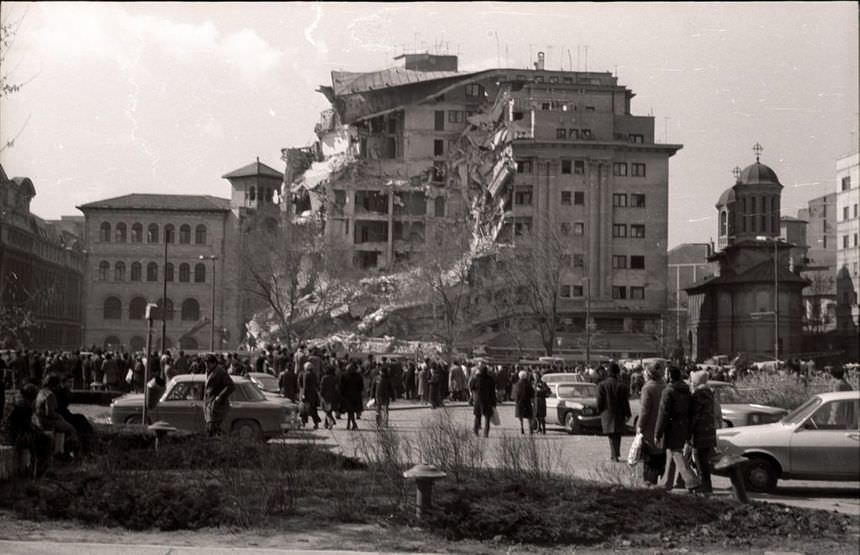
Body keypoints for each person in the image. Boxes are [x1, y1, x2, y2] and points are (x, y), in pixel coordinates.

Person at [655, 366, 702, 492]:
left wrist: (657, 433)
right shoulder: (686, 389)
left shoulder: (668, 391)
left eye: (666, 374)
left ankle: (692, 481)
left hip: (672, 426)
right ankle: (667, 483)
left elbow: (663, 413)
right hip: (684, 425)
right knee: (671, 453)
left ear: (669, 376)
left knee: (676, 453)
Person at [33, 373, 79, 458]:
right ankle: (72, 451)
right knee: (72, 429)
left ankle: (61, 450)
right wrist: (59, 416)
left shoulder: (41, 392)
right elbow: (49, 413)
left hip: (39, 419)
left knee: (63, 427)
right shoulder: (50, 394)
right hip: (47, 421)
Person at [637, 363, 667, 484]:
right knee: (660, 454)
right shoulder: (665, 386)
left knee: (649, 456)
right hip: (662, 427)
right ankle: (660, 477)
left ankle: (650, 482)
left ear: (648, 374)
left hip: (650, 426)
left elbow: (644, 410)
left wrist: (639, 426)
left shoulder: (648, 388)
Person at [689, 370, 718, 494]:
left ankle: (703, 486)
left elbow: (694, 415)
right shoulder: (709, 393)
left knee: (699, 459)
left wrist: (689, 430)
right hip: (709, 431)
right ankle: (707, 485)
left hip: (700, 432)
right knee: (705, 460)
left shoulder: (698, 395)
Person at [596, 363, 631, 462]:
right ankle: (616, 454)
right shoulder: (622, 386)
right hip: (619, 413)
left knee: (611, 435)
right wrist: (628, 414)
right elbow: (625, 402)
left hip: (607, 413)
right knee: (617, 434)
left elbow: (599, 400)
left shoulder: (602, 385)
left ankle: (614, 455)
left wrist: (599, 410)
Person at [203, 354, 234, 437]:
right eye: (206, 365)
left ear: (214, 363)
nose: (207, 367)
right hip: (209, 405)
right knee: (212, 430)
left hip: (217, 406)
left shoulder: (220, 372)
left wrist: (220, 397)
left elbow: (231, 386)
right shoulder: (209, 371)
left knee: (213, 430)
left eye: (208, 365)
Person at [470, 364, 496, 438]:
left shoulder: (475, 378)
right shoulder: (490, 379)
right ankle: (486, 433)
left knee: (477, 416)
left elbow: (471, 387)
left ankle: (475, 431)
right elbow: (492, 391)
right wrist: (494, 402)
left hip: (478, 399)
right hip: (488, 400)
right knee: (487, 418)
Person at [339, 362, 364, 431]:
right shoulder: (358, 376)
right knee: (351, 411)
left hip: (347, 396)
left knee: (350, 411)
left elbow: (341, 386)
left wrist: (341, 394)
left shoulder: (344, 376)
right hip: (356, 396)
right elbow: (361, 386)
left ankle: (351, 424)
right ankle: (351, 424)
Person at [297, 361, 321, 429]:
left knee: (303, 409)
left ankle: (303, 423)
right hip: (313, 395)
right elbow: (317, 384)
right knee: (313, 410)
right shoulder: (314, 375)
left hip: (307, 395)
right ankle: (316, 423)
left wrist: (303, 395)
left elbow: (305, 386)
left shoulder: (305, 374)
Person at [513, 370, 535, 435]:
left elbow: (515, 394)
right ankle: (530, 429)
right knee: (529, 417)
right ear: (525, 376)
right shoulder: (528, 384)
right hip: (527, 402)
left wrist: (516, 401)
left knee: (521, 416)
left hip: (519, 403)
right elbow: (532, 393)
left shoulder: (517, 384)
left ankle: (521, 427)